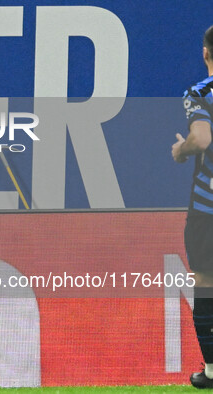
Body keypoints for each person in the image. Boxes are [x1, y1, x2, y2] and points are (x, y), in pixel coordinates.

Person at [172, 25, 213, 389]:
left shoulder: (201, 93)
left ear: (205, 53)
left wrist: (181, 149)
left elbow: (201, 138)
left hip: (208, 208)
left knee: (205, 283)